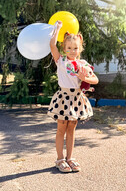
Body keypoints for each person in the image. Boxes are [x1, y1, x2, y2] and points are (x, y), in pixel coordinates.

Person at [47, 21, 99, 173]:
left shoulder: (83, 64)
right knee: (61, 128)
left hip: (76, 98)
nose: (72, 51)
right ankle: (59, 159)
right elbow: (52, 46)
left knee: (71, 129)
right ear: (64, 48)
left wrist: (85, 78)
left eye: (75, 48)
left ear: (80, 48)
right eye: (69, 48)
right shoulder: (61, 61)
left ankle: (70, 158)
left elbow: (95, 80)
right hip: (63, 98)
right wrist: (56, 29)